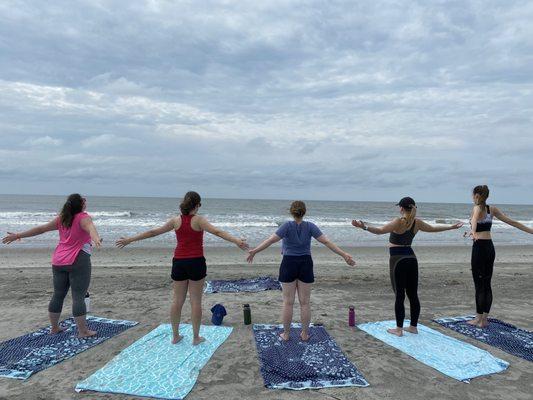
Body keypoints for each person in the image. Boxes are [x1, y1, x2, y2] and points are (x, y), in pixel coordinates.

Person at [116, 191, 248, 345]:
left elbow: (153, 232)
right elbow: (217, 232)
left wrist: (130, 240)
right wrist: (236, 241)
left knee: (177, 301)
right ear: (197, 205)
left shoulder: (175, 221)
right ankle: (196, 337)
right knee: (195, 301)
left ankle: (175, 336)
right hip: (196, 262)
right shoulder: (199, 220)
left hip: (179, 262)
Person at [352, 197, 463, 337]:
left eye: (399, 207)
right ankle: (413, 327)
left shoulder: (399, 221)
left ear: (402, 208)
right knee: (412, 294)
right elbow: (434, 228)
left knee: (399, 295)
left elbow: (380, 230)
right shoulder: (417, 222)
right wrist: (451, 227)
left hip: (398, 259)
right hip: (411, 258)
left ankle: (398, 329)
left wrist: (364, 227)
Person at [247, 200, 355, 342]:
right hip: (305, 263)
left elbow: (270, 240)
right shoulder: (310, 226)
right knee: (305, 302)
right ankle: (304, 334)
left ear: (291, 212)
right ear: (304, 212)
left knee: (288, 302)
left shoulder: (286, 226)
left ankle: (286, 334)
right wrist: (344, 255)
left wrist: (254, 251)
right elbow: (327, 242)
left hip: (288, 263)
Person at [2, 194, 101, 338]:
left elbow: (41, 229)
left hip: (58, 260)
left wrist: (18, 235)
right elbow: (90, 227)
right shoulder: (83, 217)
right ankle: (83, 331)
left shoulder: (63, 218)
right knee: (78, 297)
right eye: (84, 200)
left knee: (58, 295)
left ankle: (54, 328)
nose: (86, 202)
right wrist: (96, 239)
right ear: (80, 204)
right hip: (78, 260)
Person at [466, 185, 533, 328]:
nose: (472, 197)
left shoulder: (477, 208)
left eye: (473, 195)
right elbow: (512, 222)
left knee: (479, 285)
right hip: (490, 247)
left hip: (479, 248)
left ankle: (478, 319)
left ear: (477, 195)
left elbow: (474, 221)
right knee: (487, 283)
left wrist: (472, 231)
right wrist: (531, 231)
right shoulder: (492, 209)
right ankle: (484, 319)